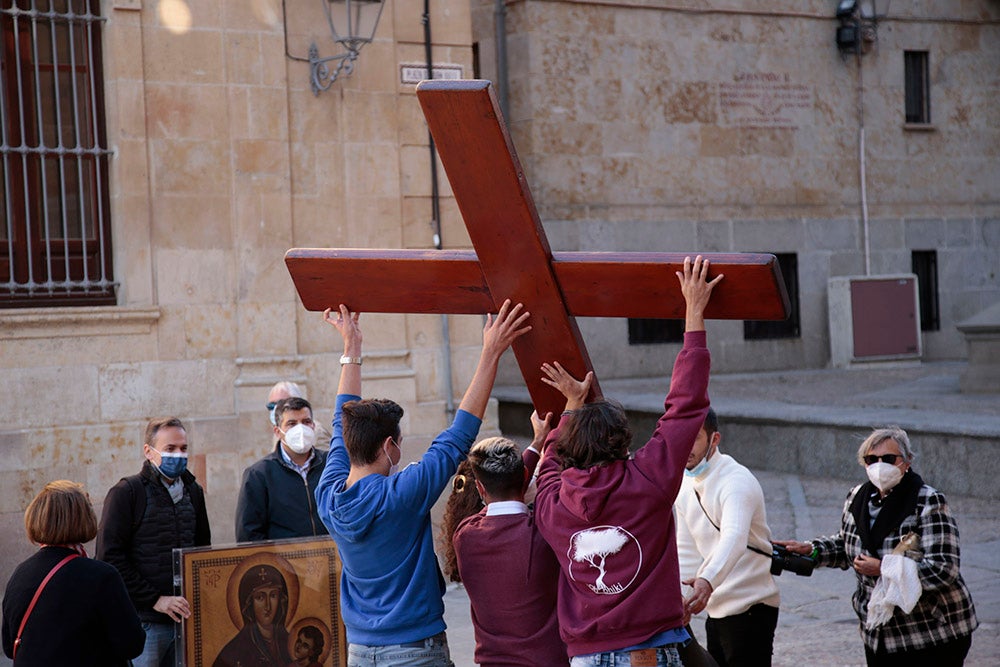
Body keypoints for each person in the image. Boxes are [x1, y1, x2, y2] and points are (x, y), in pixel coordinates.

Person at [315, 299, 531, 666]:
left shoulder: (328, 494)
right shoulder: (402, 495)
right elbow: (459, 436)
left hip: (360, 652)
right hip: (415, 650)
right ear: (389, 446)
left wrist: (351, 348)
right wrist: (492, 352)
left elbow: (341, 420)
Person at [534, 255, 722, 666]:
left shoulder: (551, 504)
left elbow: (548, 461)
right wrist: (694, 311)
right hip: (647, 651)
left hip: (586, 655)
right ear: (623, 444)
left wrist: (570, 408)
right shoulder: (648, 479)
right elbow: (685, 408)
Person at [775, 427, 978, 666]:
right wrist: (812, 549)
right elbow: (847, 545)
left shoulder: (928, 501)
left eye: (889, 459)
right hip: (879, 632)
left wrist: (884, 568)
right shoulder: (857, 497)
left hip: (930, 631)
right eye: (871, 460)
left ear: (907, 461)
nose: (880, 466)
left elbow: (944, 568)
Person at [447, 421, 568, 666]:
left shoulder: (465, 536)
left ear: (479, 488)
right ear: (525, 477)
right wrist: (545, 441)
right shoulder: (544, 531)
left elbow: (506, 489)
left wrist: (536, 444)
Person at [97, 416, 211, 667]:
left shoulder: (194, 491)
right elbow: (109, 558)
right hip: (145, 623)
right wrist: (155, 599)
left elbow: (202, 549)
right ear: (149, 452)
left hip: (187, 620)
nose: (178, 455)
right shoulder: (127, 493)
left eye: (183, 448)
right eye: (170, 449)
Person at [674, 407, 780, 667]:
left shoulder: (736, 480)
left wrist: (707, 581)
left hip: (751, 607)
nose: (686, 446)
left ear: (715, 439)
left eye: (695, 437)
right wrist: (681, 598)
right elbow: (686, 549)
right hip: (716, 609)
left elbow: (734, 537)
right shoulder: (685, 484)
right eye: (682, 436)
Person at [1, 480, 145, 667]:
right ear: (83, 518)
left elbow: (8, 646)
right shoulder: (101, 576)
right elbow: (132, 645)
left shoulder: (20, 573)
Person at [236, 396, 329, 541]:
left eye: (306, 422)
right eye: (292, 424)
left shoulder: (330, 464)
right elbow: (249, 534)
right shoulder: (259, 475)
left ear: (313, 426)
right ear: (278, 431)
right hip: (285, 561)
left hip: (333, 558)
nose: (301, 429)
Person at [213, 564, 292, 667]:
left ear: (281, 600)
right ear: (249, 604)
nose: (268, 606)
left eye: (273, 596)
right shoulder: (235, 650)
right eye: (260, 597)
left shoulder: (291, 642)